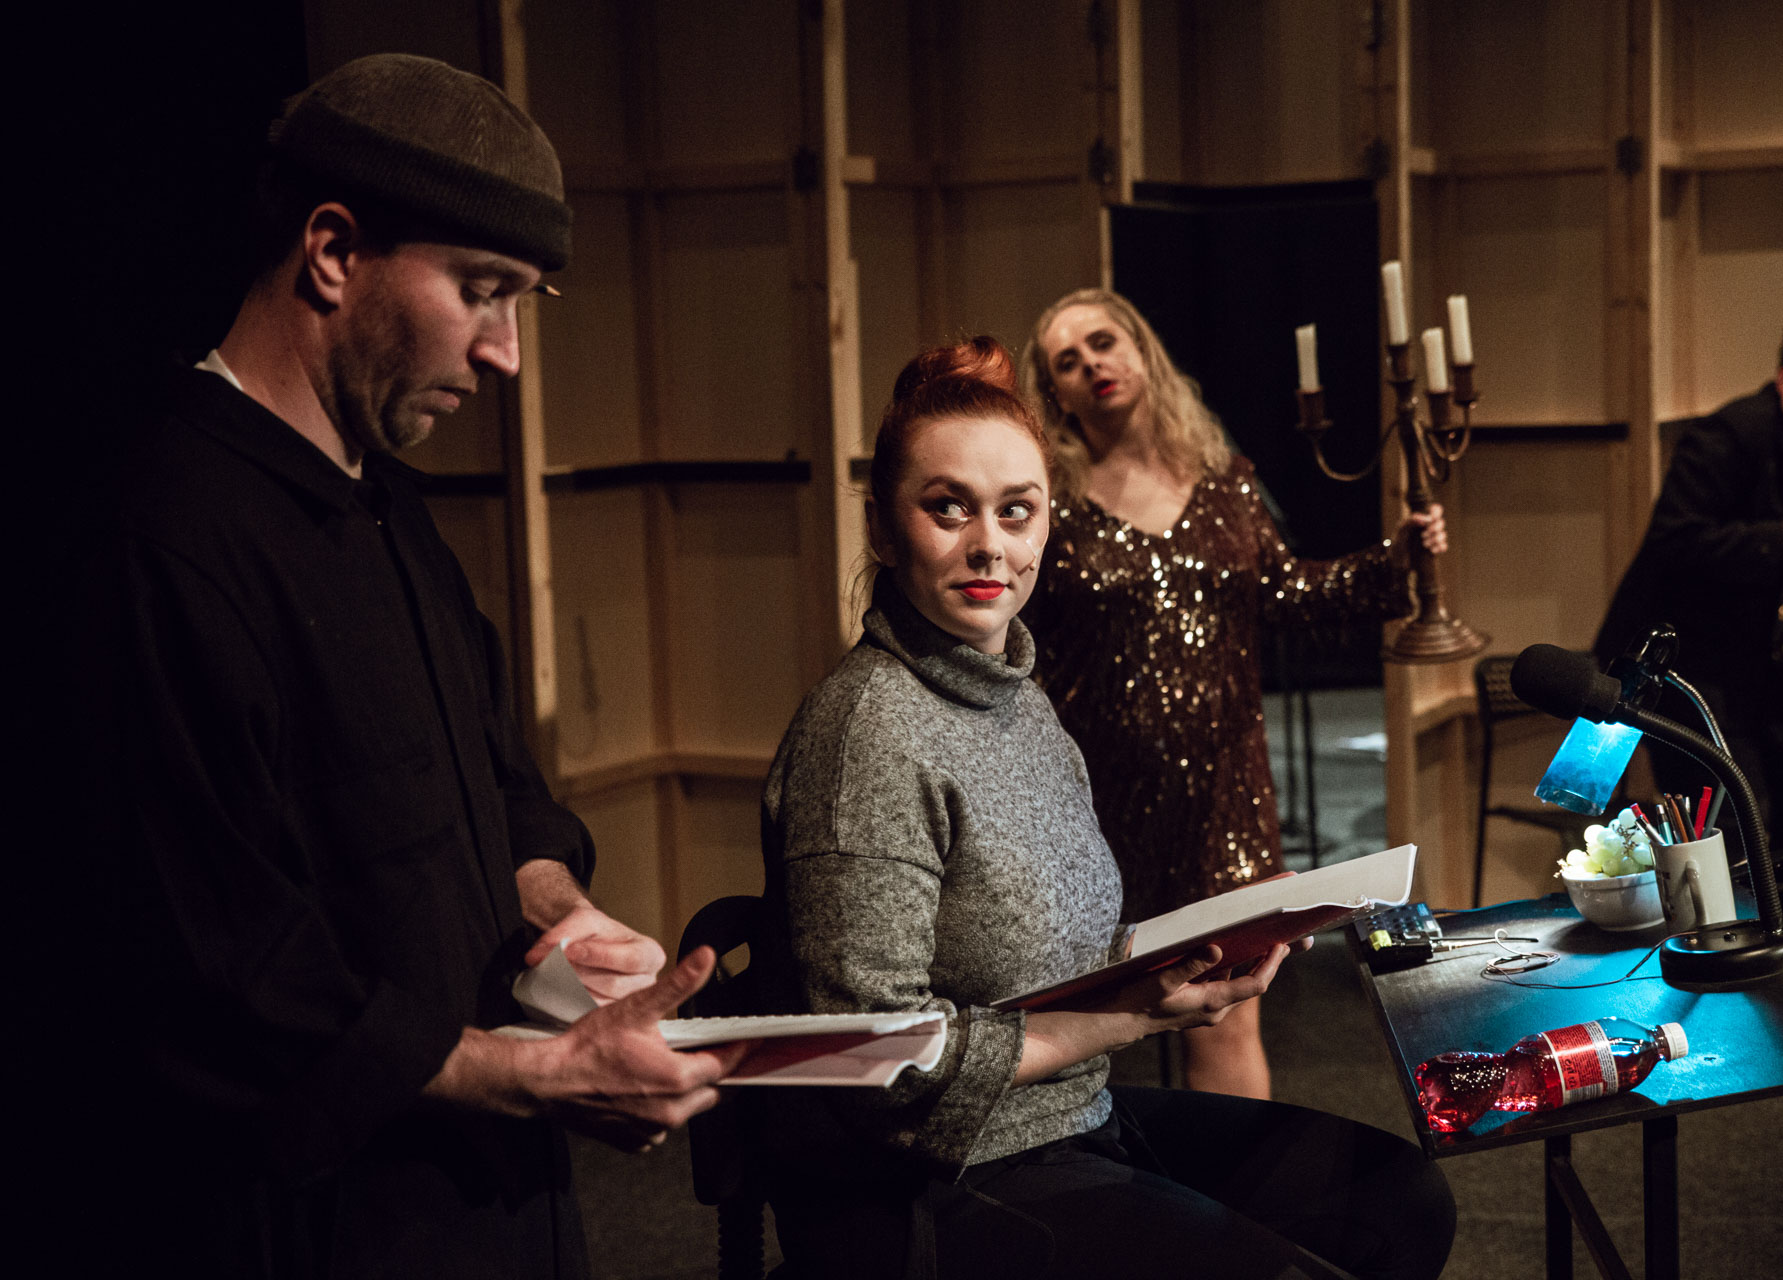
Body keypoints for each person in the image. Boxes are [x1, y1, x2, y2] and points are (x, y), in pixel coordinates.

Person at [71, 54, 746, 1277]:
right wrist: (538, 1072)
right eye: (482, 290)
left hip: (498, 1208)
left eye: (522, 302)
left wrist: (563, 913)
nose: (507, 355)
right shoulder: (168, 531)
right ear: (333, 252)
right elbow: (222, 967)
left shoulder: (394, 513)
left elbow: (500, 789)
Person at [755, 337, 1455, 1279]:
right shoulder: (866, 736)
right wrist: (1130, 1017)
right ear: (883, 528)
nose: (988, 545)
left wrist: (1220, 934)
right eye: (947, 508)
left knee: (1400, 1202)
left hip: (1070, 1115)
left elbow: (1049, 944)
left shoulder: (1020, 697)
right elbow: (880, 1060)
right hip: (925, 1181)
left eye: (1016, 510)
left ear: (1049, 525)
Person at [1017, 288, 1447, 1099]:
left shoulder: (1222, 480)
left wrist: (1397, 559)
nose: (1091, 365)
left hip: (1224, 797)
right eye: (1066, 362)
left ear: (1141, 351)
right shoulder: (1049, 506)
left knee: (1227, 1005)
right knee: (1098, 1017)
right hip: (1102, 802)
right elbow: (1021, 641)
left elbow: (1287, 594)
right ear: (1055, 393)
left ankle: (1235, 1177)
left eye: (1103, 342)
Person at [1595, 310, 1783, 940]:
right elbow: (1676, 543)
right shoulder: (1728, 438)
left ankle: (1771, 946)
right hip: (1675, 658)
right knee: (1729, 825)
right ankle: (1716, 960)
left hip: (1755, 654)